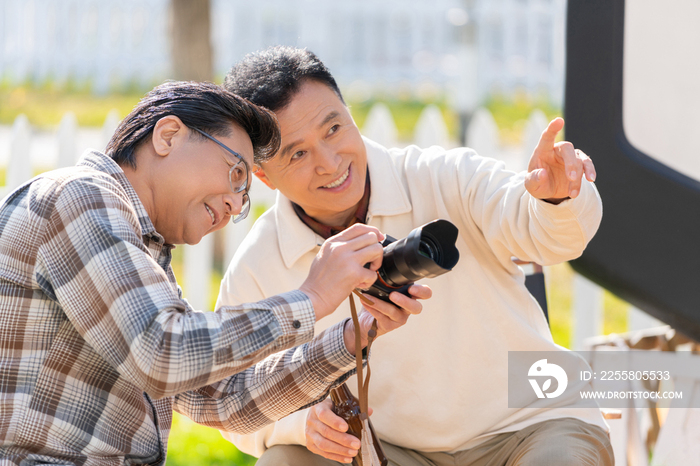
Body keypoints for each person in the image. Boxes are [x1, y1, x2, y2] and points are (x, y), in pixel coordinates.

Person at [218, 46, 614, 466]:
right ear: (262, 175)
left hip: (531, 425)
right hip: (388, 451)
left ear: (349, 112)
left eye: (333, 129)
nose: (329, 162)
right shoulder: (259, 263)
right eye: (297, 154)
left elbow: (541, 232)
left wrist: (556, 197)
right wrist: (299, 426)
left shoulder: (445, 176)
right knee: (285, 460)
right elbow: (228, 398)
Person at [0, 81, 426, 466]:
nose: (233, 207)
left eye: (243, 198)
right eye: (236, 174)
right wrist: (312, 298)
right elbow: (162, 352)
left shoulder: (143, 251)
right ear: (168, 136)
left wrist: (352, 335)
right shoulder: (80, 195)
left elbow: (223, 400)